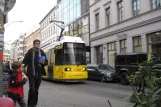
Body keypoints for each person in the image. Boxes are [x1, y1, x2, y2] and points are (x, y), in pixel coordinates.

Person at [22, 39, 48, 107]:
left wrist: (43, 62)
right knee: (32, 89)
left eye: (38, 43)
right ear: (34, 44)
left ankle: (34, 103)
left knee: (36, 90)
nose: (37, 44)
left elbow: (46, 62)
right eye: (36, 43)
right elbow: (25, 61)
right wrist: (21, 66)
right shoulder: (30, 52)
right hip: (31, 73)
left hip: (39, 74)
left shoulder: (41, 52)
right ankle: (29, 103)